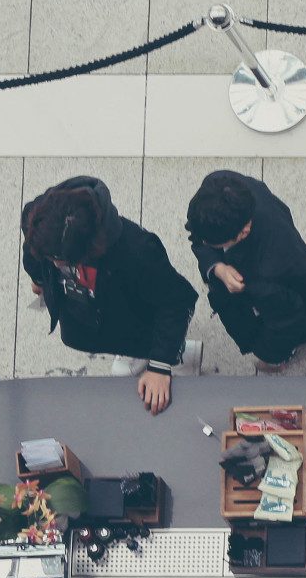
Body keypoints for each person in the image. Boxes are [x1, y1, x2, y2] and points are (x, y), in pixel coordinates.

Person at [20, 176, 198, 414]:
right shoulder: (39, 221)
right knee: (92, 338)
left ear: (90, 248)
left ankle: (177, 355)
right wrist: (39, 278)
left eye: (59, 260)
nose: (54, 264)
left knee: (145, 342)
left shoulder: (138, 251)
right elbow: (33, 253)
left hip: (129, 315)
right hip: (83, 311)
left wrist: (159, 366)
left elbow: (177, 302)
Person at [185, 170, 306, 373]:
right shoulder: (219, 189)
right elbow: (198, 237)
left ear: (243, 232)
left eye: (212, 243)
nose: (202, 243)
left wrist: (270, 356)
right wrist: (217, 267)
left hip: (290, 301)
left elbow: (287, 321)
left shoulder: (269, 269)